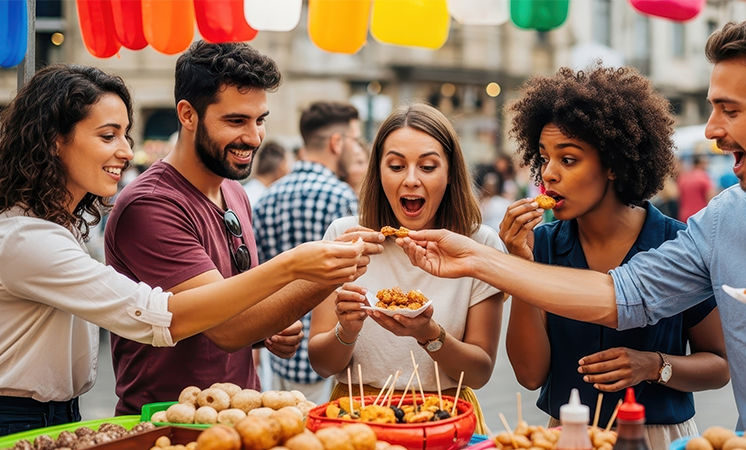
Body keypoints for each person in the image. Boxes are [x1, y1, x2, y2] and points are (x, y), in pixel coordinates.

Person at [395, 14, 746, 450]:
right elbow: (619, 294)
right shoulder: (723, 219)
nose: (712, 129)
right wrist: (480, 258)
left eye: (729, 110)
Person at [0, 65, 368, 434]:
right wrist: (298, 266)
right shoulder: (30, 238)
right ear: (54, 140)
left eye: (126, 135)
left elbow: (226, 316)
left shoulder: (56, 226)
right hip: (63, 416)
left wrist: (265, 325)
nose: (126, 152)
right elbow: (166, 317)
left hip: (82, 413)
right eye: (108, 136)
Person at [104, 41, 383, 415]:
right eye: (236, 121)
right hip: (171, 424)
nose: (253, 137)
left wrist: (264, 332)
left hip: (239, 415)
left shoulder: (233, 190)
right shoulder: (151, 204)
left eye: (260, 120)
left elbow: (235, 309)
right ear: (187, 115)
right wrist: (316, 268)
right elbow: (227, 329)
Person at [500, 66, 729, 449]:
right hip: (564, 435)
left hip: (657, 437)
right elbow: (529, 374)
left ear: (612, 164)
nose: (548, 175)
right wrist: (520, 265)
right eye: (543, 158)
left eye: (568, 160)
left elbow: (719, 366)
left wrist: (654, 365)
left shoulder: (678, 244)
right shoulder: (541, 244)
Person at [307, 104, 505, 434]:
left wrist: (428, 334)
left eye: (427, 167)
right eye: (396, 166)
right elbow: (322, 363)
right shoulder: (346, 237)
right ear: (378, 171)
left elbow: (479, 373)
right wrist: (347, 330)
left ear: (450, 172)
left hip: (445, 419)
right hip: (358, 420)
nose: (411, 180)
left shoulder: (479, 243)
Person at [252, 101, 363, 403]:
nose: (356, 151)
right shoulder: (341, 197)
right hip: (327, 351)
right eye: (354, 140)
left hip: (276, 347)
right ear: (336, 143)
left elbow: (253, 276)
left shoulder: (268, 196)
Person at [243, 140, 291, 206]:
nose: (289, 170)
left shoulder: (244, 192)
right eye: (288, 164)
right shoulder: (266, 199)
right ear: (281, 167)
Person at [676, 155, 714, 222]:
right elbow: (710, 197)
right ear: (700, 164)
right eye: (705, 163)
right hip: (700, 216)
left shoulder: (683, 177)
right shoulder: (703, 175)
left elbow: (678, 196)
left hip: (684, 216)